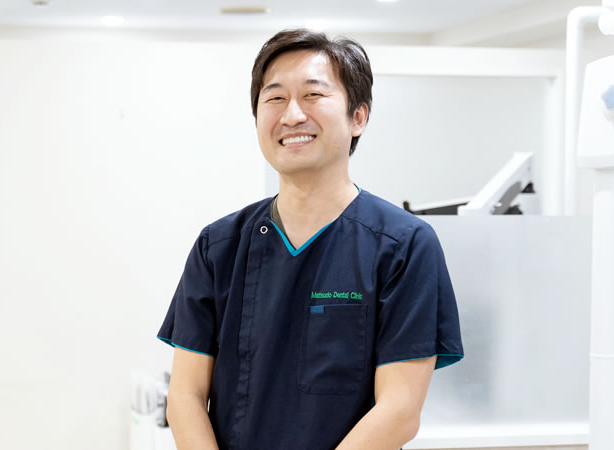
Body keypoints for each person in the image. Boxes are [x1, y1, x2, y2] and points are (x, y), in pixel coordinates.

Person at [156, 28, 464, 450]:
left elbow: (399, 411)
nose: (292, 115)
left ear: (358, 117)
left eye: (313, 95)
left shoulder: (403, 246)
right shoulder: (219, 246)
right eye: (275, 98)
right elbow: (185, 396)